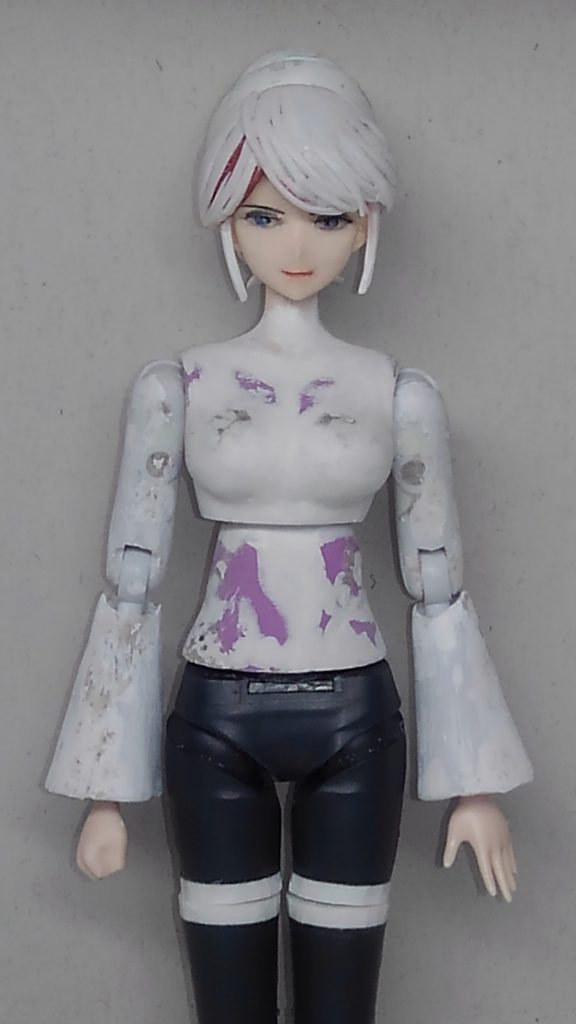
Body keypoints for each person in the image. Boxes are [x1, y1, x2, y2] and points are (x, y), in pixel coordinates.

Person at [46, 52, 533, 1024]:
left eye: (329, 215)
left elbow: (437, 581)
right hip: (214, 715)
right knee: (226, 995)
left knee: (341, 998)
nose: (298, 244)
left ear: (367, 223)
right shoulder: (179, 388)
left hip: (356, 717)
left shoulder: (397, 394)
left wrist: (475, 783)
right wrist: (107, 789)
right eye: (266, 215)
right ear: (227, 218)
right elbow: (133, 580)